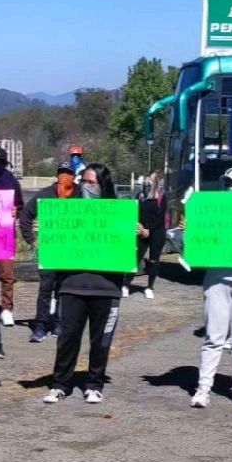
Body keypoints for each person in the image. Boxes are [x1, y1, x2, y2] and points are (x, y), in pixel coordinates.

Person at [181, 162, 232, 408]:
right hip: (217, 278)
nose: (230, 190)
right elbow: (199, 244)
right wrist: (192, 230)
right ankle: (203, 388)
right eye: (227, 185)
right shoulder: (214, 210)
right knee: (213, 336)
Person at [42, 163, 124, 404]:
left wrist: (141, 234)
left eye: (92, 182)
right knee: (67, 338)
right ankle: (60, 385)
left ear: (103, 185)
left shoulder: (118, 212)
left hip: (106, 287)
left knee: (100, 341)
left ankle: (94, 384)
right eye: (85, 182)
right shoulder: (68, 212)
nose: (87, 186)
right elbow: (53, 243)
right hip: (72, 285)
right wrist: (42, 231)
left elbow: (131, 252)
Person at [24, 163, 77, 342]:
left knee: (64, 289)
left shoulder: (80, 195)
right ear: (57, 175)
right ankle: (40, 325)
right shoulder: (45, 195)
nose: (65, 176)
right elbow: (26, 216)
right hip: (49, 251)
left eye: (69, 173)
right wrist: (32, 239)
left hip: (71, 252)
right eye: (62, 173)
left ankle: (58, 322)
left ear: (74, 176)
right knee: (45, 289)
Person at [0, 147, 23, 326]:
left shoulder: (11, 180)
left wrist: (16, 211)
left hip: (6, 233)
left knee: (7, 273)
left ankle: (7, 308)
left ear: (5, 162)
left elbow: (20, 205)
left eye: (0, 162)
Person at [128, 172, 165, 300]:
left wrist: (149, 229)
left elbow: (161, 217)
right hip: (141, 229)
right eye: (147, 179)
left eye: (150, 179)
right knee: (135, 258)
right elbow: (135, 211)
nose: (147, 182)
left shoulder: (161, 196)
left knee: (154, 260)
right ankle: (126, 285)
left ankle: (149, 287)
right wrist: (140, 226)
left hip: (157, 231)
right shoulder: (141, 195)